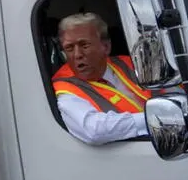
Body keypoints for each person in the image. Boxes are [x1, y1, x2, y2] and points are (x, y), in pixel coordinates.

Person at [52, 12, 153, 145]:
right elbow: (94, 130)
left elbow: (173, 91)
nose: (77, 55)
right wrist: (155, 120)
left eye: (84, 45)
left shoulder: (130, 63)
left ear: (106, 47)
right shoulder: (64, 87)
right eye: (69, 48)